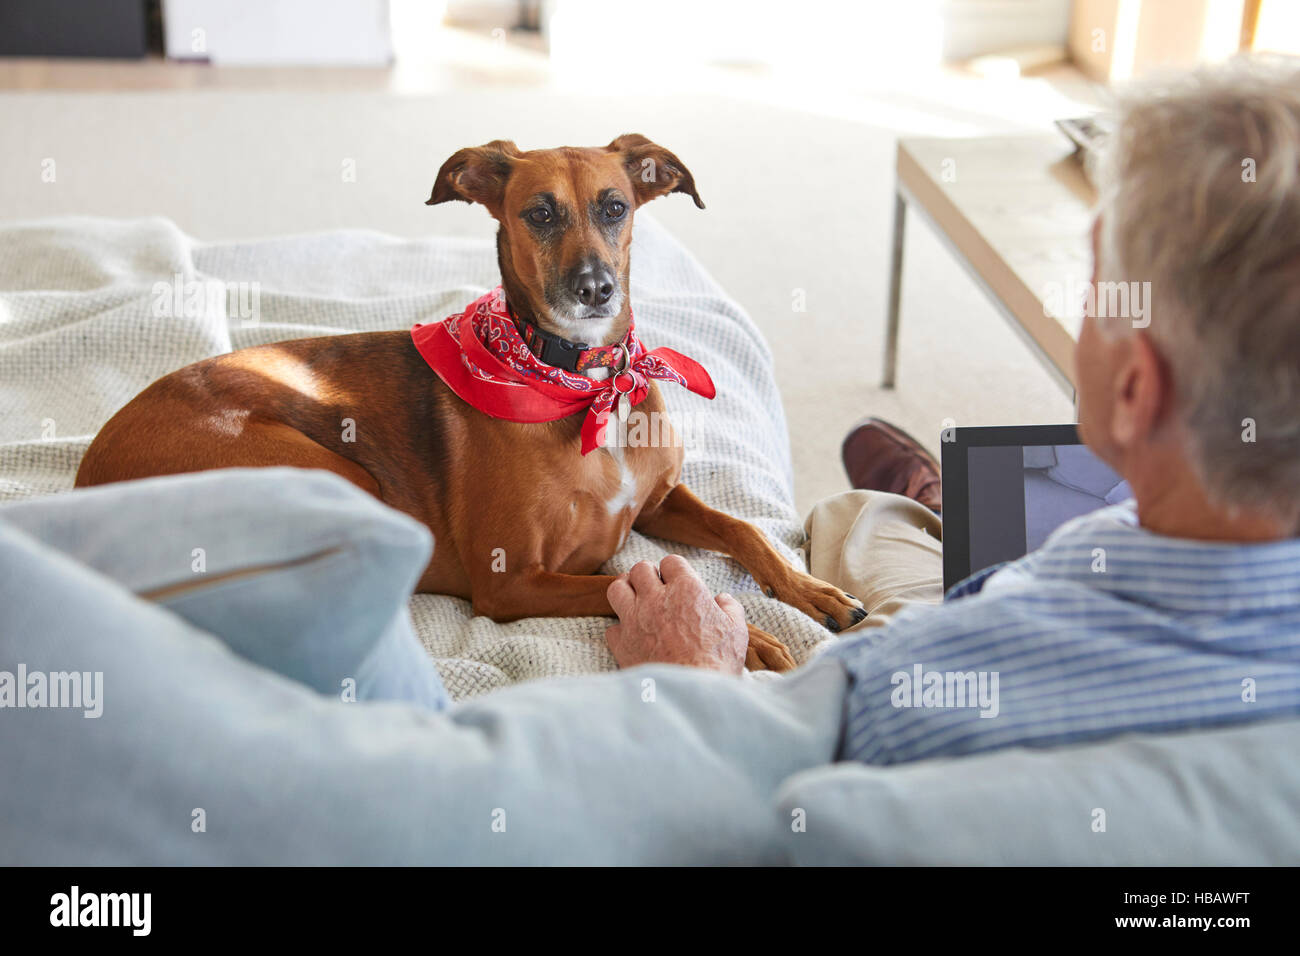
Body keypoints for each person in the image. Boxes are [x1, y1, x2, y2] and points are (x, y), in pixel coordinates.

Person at [605, 57, 1300, 764]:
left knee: (859, 515)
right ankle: (928, 502)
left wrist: (694, 669)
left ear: (1133, 392)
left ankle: (921, 501)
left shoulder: (926, 696)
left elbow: (767, 795)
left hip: (962, 637)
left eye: (1095, 291)